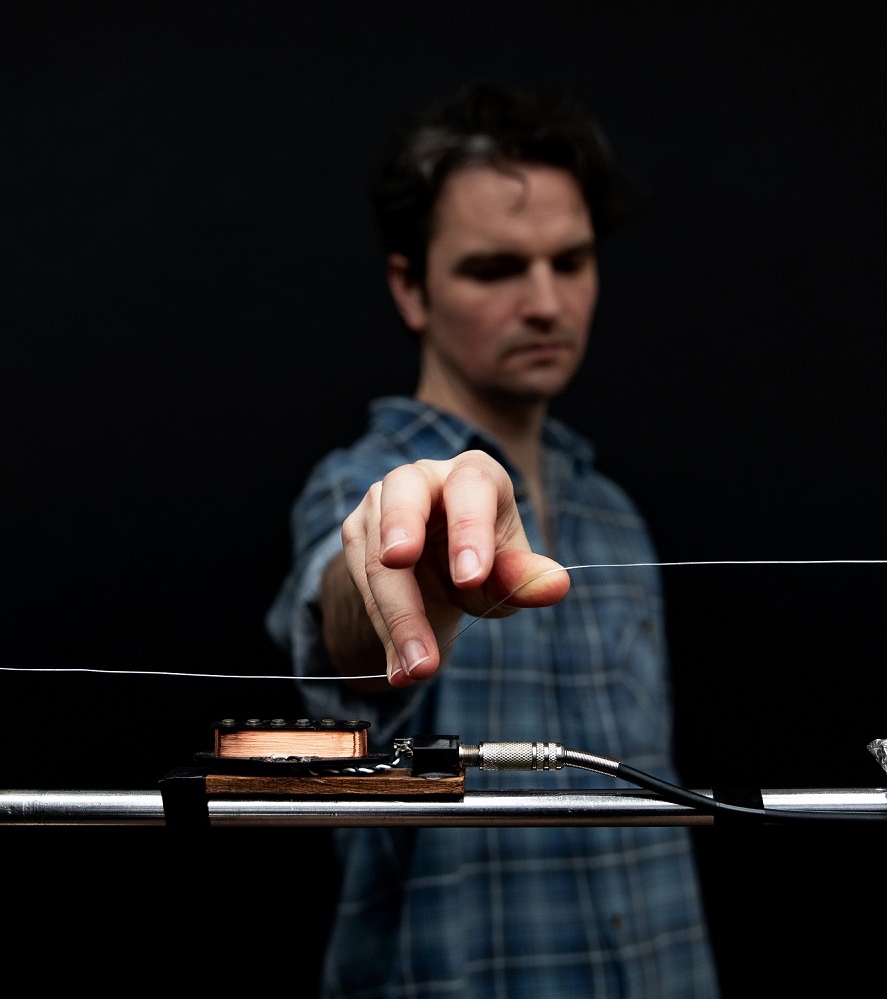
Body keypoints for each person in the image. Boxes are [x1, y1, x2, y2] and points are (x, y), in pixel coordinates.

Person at [267, 81, 720, 998]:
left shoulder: (614, 515)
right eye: (496, 268)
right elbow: (342, 634)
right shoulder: (358, 486)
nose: (547, 301)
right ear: (411, 286)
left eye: (572, 259)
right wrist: (402, 561)